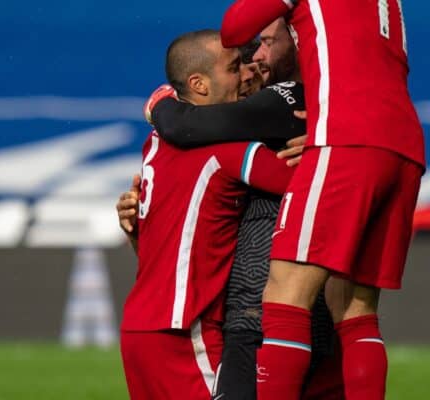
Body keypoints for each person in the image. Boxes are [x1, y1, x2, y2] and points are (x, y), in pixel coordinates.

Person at [119, 23, 342, 400]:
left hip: (139, 325)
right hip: (186, 325)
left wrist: (133, 227)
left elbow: (162, 239)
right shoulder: (231, 151)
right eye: (235, 66)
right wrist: (331, 151)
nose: (249, 70)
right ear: (201, 84)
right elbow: (319, 188)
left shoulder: (154, 143)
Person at [221, 1, 426, 399]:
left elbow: (233, 29)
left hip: (346, 137)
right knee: (355, 311)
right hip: (403, 146)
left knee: (284, 296)